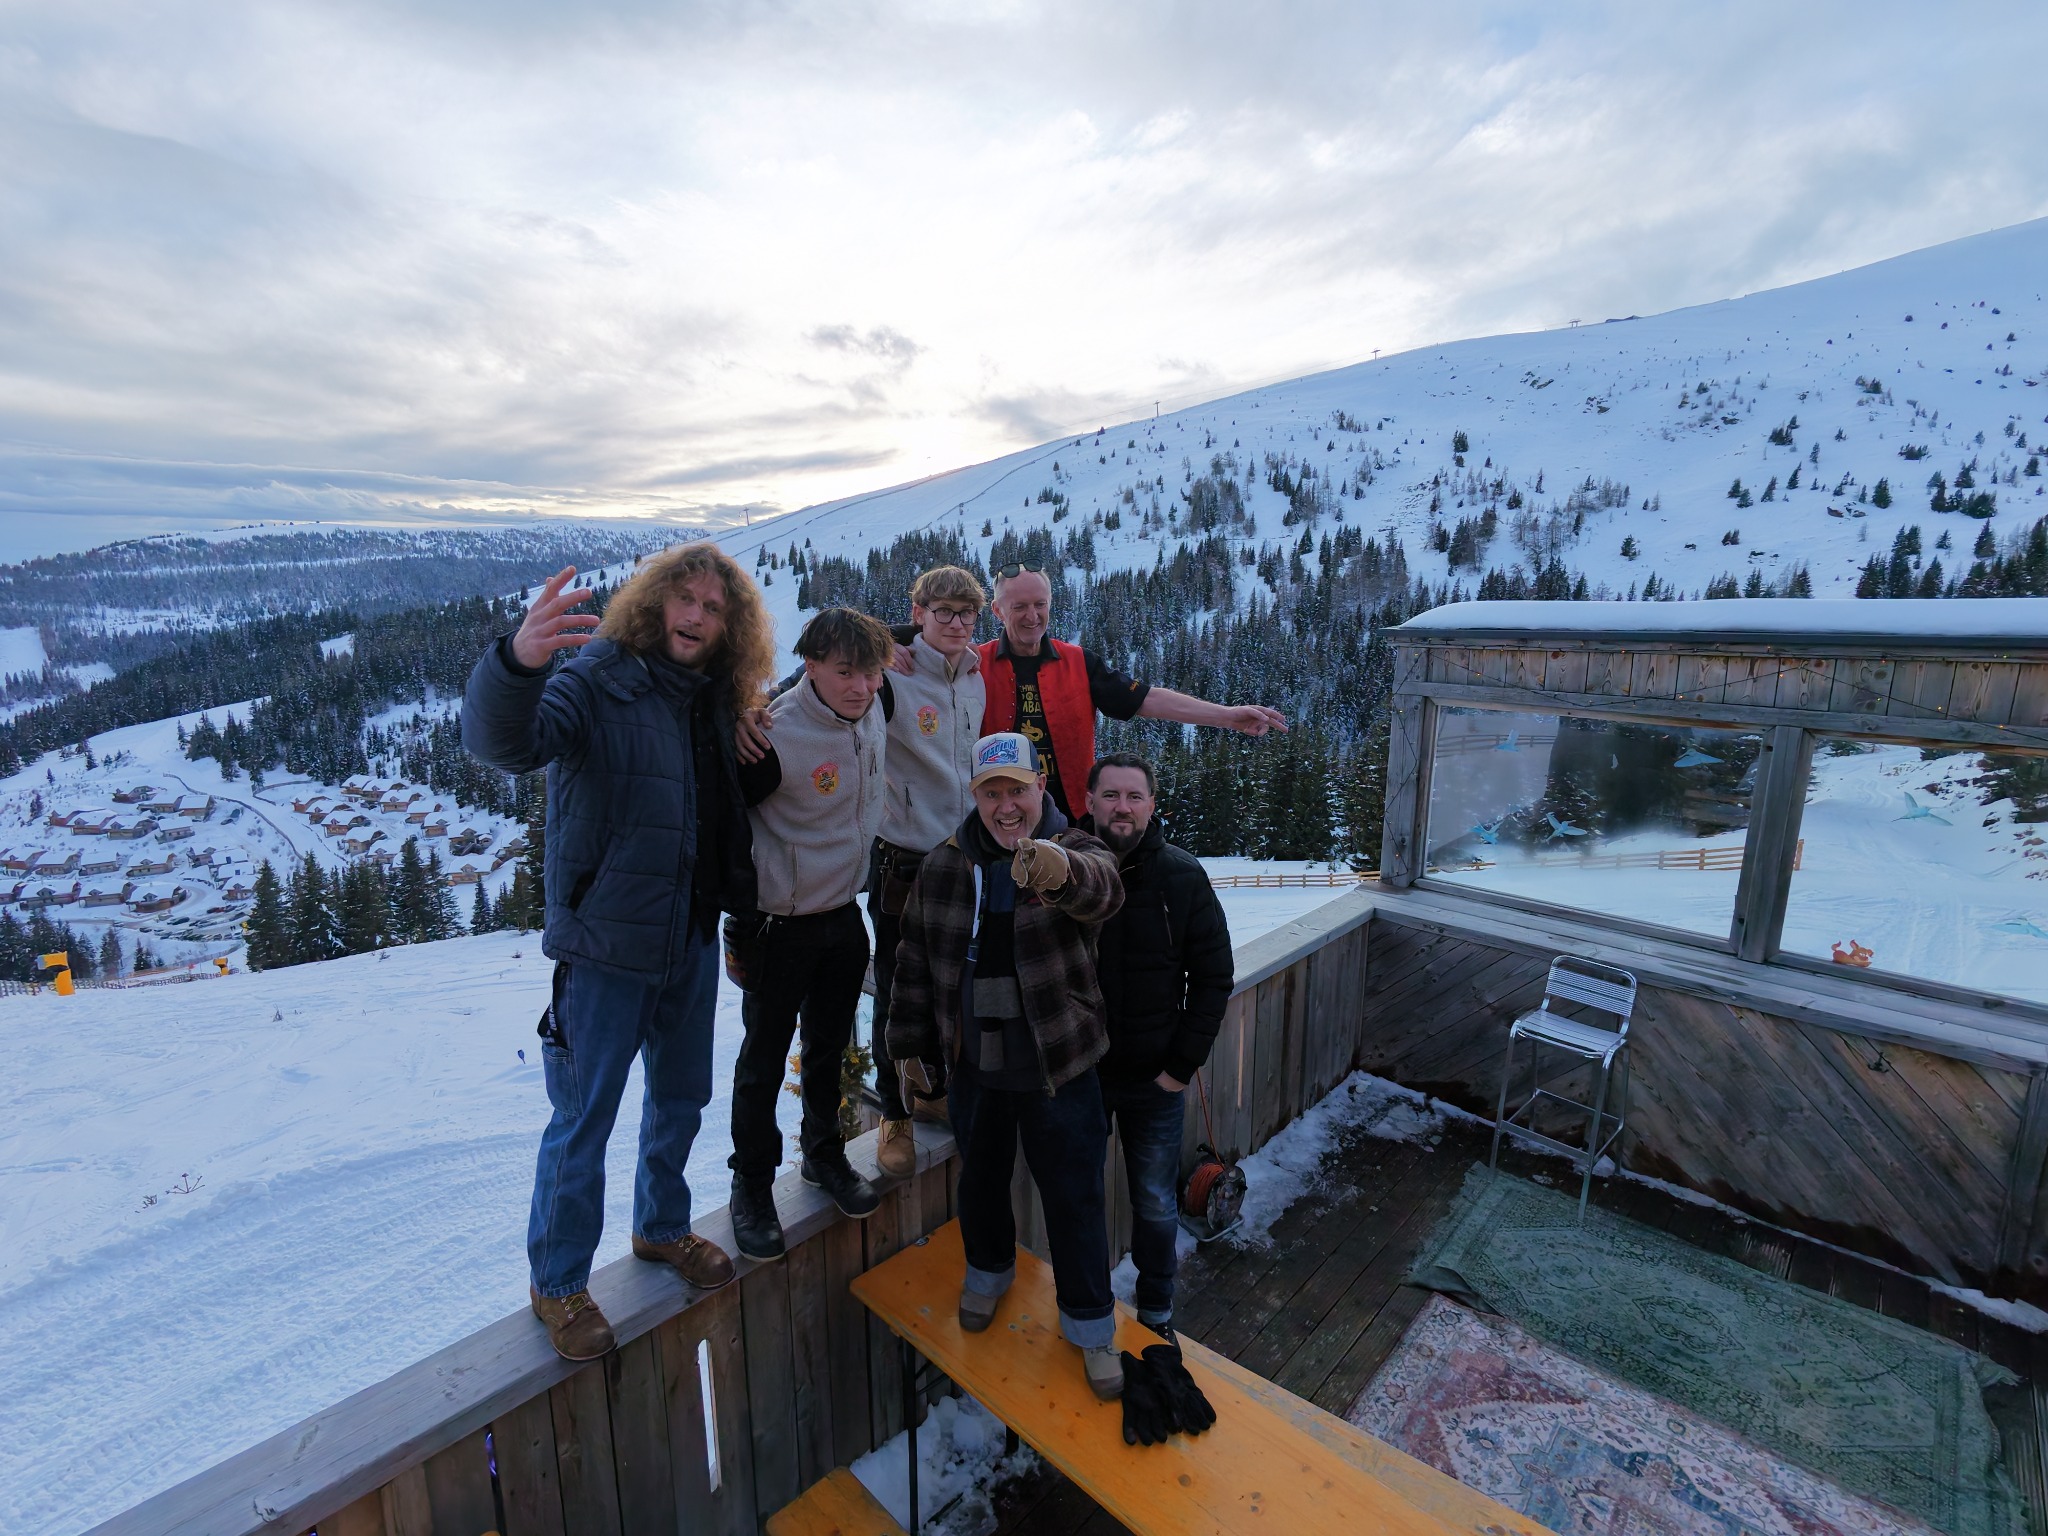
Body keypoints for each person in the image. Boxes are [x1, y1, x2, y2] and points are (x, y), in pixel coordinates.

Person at [461, 545, 771, 1361]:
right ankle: (558, 1280)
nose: (698, 616)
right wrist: (516, 663)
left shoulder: (710, 699)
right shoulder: (598, 677)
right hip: (606, 945)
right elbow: (508, 743)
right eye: (686, 598)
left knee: (680, 1098)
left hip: (689, 935)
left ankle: (662, 1229)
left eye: (715, 607)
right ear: (653, 603)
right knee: (585, 1116)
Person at [888, 732, 1128, 1399]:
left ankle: (1090, 1327)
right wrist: (909, 1046)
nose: (1005, 807)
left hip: (1061, 1064)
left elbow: (1105, 892)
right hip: (975, 1067)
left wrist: (1061, 873)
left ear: (1039, 788)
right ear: (976, 796)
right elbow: (913, 962)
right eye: (992, 793)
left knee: (1075, 1200)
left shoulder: (1075, 848)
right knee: (981, 1186)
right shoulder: (944, 863)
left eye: (1016, 791)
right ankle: (988, 1275)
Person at [727, 608, 894, 1260]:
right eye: (846, 672)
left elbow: (919, 642)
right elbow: (718, 814)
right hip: (779, 924)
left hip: (842, 915)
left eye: (871, 671)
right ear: (813, 665)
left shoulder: (870, 709)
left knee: (827, 1049)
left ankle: (822, 1155)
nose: (861, 685)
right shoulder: (771, 736)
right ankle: (752, 1185)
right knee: (763, 1061)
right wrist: (735, 917)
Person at [1083, 752, 1233, 1342]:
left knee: (1154, 1203)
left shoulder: (1182, 876)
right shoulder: (1061, 872)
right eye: (1111, 795)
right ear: (1089, 801)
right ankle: (1088, 1307)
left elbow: (1214, 976)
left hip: (1155, 1081)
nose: (1123, 807)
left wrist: (1180, 1067)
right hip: (1081, 1078)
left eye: (1134, 796)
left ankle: (1157, 1314)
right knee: (1080, 1203)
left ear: (1152, 805)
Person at [969, 565, 1289, 820]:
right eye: (1019, 607)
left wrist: (1228, 717)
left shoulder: (1080, 663)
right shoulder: (973, 664)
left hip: (1072, 823)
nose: (1032, 615)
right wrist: (914, 641)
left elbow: (1145, 699)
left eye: (1040, 604)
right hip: (999, 820)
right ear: (998, 611)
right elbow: (929, 648)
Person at [868, 566, 988, 1178]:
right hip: (904, 858)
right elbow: (813, 679)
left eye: (966, 614)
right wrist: (883, 638)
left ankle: (933, 1086)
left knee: (950, 985)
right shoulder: (890, 670)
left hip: (961, 859)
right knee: (894, 987)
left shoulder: (975, 678)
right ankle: (893, 1112)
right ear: (917, 613)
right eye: (941, 611)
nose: (955, 623)